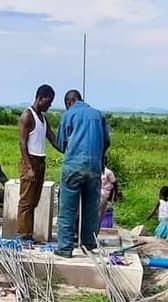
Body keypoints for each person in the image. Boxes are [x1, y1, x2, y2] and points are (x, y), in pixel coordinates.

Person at [55, 90, 110, 258]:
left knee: (67, 209)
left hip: (73, 167)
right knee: (90, 209)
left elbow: (62, 143)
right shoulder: (98, 115)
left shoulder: (68, 114)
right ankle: (88, 244)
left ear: (68, 102)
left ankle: (65, 248)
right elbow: (107, 142)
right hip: (94, 168)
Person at [17, 84, 58, 239]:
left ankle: (29, 234)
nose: (50, 105)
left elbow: (52, 138)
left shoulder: (43, 118)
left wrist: (67, 148)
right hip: (31, 161)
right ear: (40, 98)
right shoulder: (27, 116)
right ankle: (23, 235)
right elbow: (22, 143)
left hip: (40, 161)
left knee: (34, 201)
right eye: (48, 101)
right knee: (26, 202)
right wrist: (28, 167)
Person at [99, 159, 119, 225]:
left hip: (105, 194)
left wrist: (114, 196)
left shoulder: (108, 172)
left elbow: (115, 184)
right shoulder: (97, 171)